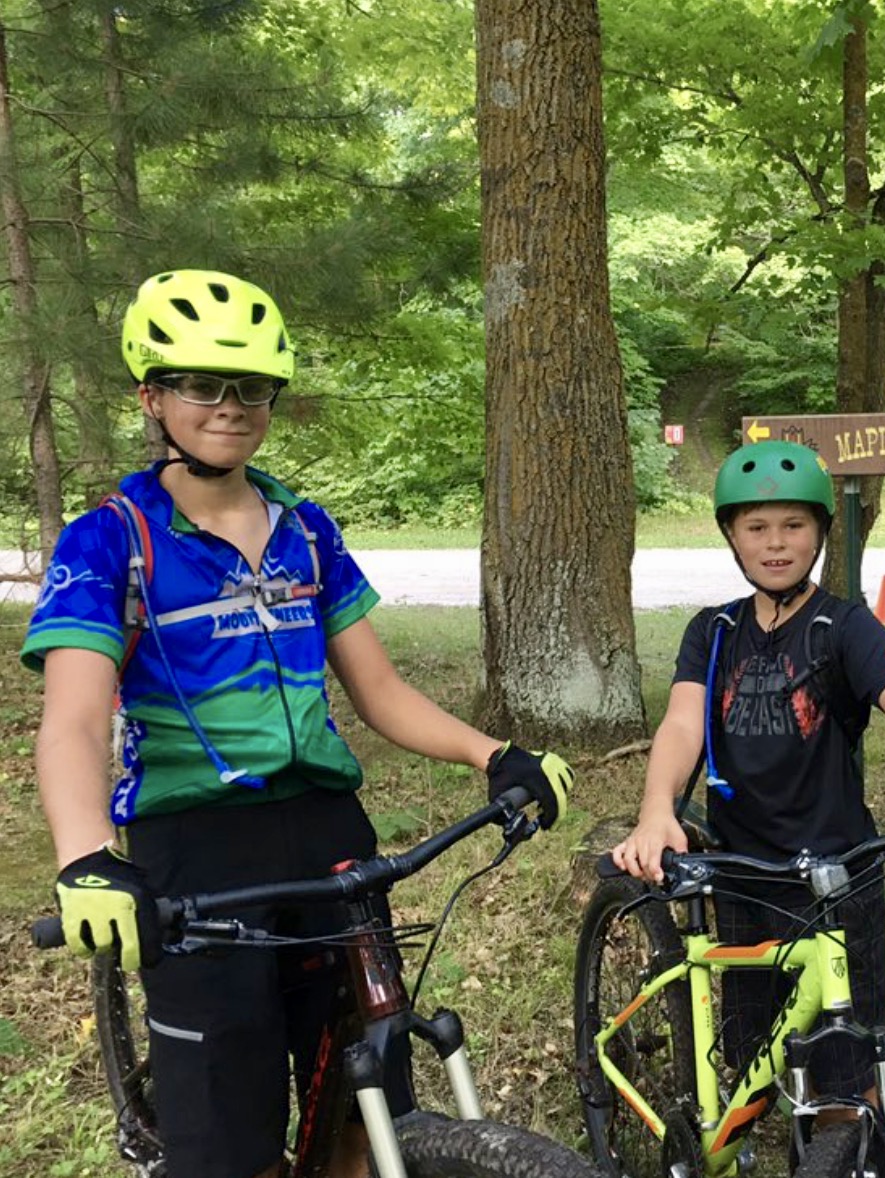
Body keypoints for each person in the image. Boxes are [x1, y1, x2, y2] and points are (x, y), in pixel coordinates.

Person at [25, 269, 575, 1178]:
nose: (230, 406)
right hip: (196, 851)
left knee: (372, 1104)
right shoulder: (111, 540)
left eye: (252, 388)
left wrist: (496, 753)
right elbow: (76, 720)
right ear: (153, 398)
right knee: (226, 1138)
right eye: (203, 384)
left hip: (328, 842)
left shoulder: (306, 532)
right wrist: (85, 858)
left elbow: (380, 691)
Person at [612, 439, 885, 1116]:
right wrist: (656, 808)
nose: (775, 543)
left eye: (793, 525)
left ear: (819, 531)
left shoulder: (843, 626)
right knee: (750, 1056)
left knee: (844, 1074)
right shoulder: (714, 631)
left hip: (832, 875)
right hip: (736, 868)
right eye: (756, 528)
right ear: (730, 536)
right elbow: (680, 726)